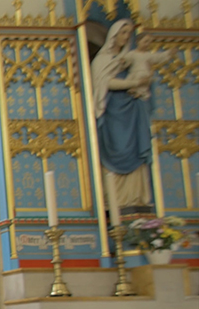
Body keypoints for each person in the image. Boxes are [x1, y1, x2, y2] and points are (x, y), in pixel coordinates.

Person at [90, 19, 154, 209]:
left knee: (136, 150)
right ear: (113, 35)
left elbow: (146, 77)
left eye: (129, 33)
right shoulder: (102, 61)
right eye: (122, 32)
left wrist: (143, 82)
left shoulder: (133, 58)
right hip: (111, 112)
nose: (126, 37)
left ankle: (136, 198)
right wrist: (132, 84)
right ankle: (113, 199)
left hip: (132, 111)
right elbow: (103, 83)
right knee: (112, 147)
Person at [123, 32, 172, 102]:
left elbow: (158, 57)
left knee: (143, 81)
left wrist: (168, 53)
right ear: (138, 42)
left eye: (149, 42)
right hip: (134, 71)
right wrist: (123, 61)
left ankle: (140, 92)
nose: (147, 44)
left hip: (144, 71)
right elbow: (127, 60)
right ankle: (133, 90)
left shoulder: (148, 55)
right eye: (145, 41)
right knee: (131, 80)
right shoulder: (132, 53)